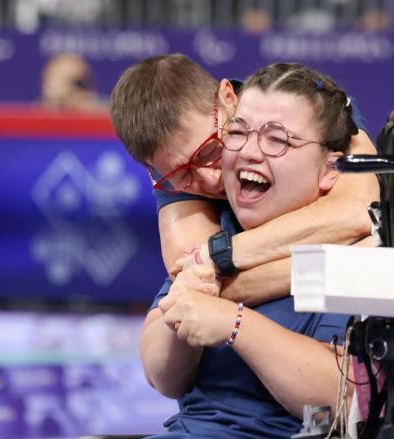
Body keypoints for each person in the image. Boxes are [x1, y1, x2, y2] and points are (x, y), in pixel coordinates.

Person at [123, 63, 358, 439]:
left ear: (330, 169)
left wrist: (236, 324)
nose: (248, 151)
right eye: (237, 133)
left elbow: (343, 397)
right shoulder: (217, 234)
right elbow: (161, 376)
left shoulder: (357, 250)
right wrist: (187, 301)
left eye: (276, 140)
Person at [110, 54, 378, 309]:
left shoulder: (309, 102)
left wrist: (223, 255)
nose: (210, 178)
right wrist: (339, 260)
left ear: (229, 98)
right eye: (184, 175)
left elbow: (359, 211)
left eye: (210, 151)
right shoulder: (171, 174)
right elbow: (197, 284)